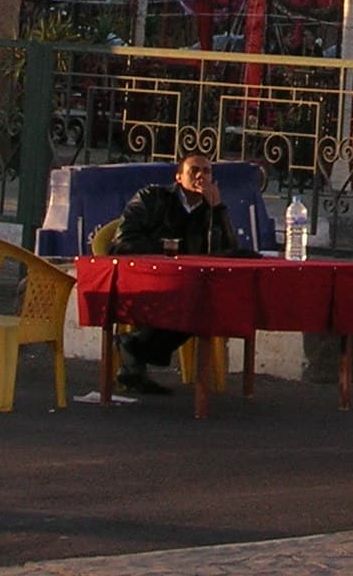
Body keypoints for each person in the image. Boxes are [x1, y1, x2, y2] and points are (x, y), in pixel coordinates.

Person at [92, 151, 250, 395]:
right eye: (194, 171)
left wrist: (218, 210)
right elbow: (122, 242)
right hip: (147, 278)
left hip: (187, 283)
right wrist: (166, 250)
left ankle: (134, 349)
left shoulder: (211, 211)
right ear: (178, 177)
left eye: (206, 171)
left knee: (205, 302)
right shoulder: (153, 198)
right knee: (191, 303)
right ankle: (134, 352)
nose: (200, 176)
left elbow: (228, 253)